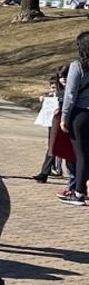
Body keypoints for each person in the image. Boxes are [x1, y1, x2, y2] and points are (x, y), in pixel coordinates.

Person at [57, 31, 89, 206]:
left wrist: (64, 116)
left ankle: (78, 192)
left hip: (80, 113)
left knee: (81, 154)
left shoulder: (77, 66)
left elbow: (70, 94)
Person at [32, 69, 69, 185]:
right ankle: (44, 173)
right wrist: (45, 100)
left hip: (68, 121)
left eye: (65, 76)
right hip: (54, 121)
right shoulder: (56, 91)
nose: (63, 79)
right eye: (61, 77)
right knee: (51, 147)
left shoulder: (74, 89)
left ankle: (73, 176)